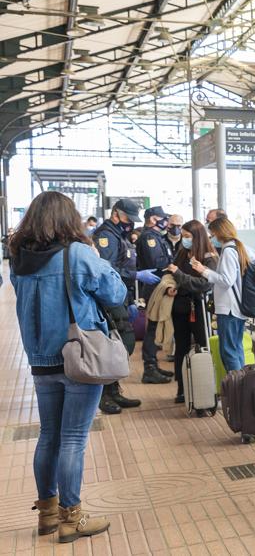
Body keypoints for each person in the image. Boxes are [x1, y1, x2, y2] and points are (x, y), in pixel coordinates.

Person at [11, 191, 124, 543]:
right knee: (73, 438)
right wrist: (95, 257)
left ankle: (47, 512)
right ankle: (71, 518)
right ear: (67, 219)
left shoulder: (19, 258)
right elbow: (116, 293)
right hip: (78, 356)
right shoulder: (76, 254)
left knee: (49, 435)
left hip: (40, 358)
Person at [91, 199, 143, 414]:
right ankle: (103, 395)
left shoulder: (117, 235)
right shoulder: (105, 235)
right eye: (128, 219)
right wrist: (136, 275)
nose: (130, 224)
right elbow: (107, 269)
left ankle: (113, 391)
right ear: (116, 214)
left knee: (119, 344)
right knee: (116, 344)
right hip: (109, 297)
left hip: (120, 295)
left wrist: (129, 300)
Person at [162, 220, 217, 404]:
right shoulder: (182, 253)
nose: (184, 240)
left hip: (200, 308)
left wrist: (179, 275)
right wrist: (171, 287)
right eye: (183, 236)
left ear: (197, 236)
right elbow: (173, 276)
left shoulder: (208, 257)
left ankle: (206, 388)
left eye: (187, 236)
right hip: (180, 307)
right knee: (181, 349)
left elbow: (203, 285)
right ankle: (182, 388)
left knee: (203, 346)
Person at [190, 217, 249, 373]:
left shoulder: (229, 251)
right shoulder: (237, 248)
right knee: (236, 348)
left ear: (219, 233)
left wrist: (204, 271)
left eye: (212, 234)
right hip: (236, 307)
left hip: (229, 308)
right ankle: (241, 384)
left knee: (229, 352)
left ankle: (237, 386)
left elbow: (226, 280)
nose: (211, 238)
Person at [134, 206, 174, 384]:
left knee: (156, 328)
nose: (166, 221)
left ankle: (153, 364)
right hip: (154, 286)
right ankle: (149, 368)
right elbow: (156, 262)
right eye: (162, 217)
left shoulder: (158, 237)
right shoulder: (149, 237)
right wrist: (172, 263)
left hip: (160, 285)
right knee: (152, 329)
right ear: (152, 219)